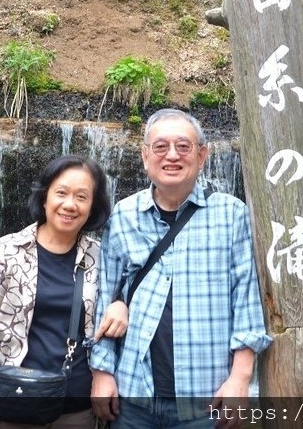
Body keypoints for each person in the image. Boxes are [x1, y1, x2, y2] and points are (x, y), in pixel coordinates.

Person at [90, 109, 271, 429]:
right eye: (160, 147)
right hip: (133, 397)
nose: (171, 155)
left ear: (202, 155)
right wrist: (102, 374)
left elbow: (246, 302)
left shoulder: (231, 214)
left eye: (183, 147)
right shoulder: (124, 215)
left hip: (205, 400)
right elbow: (107, 297)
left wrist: (240, 379)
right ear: (146, 156)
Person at [0, 155, 128, 429]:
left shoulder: (102, 256)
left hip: (77, 408)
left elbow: (122, 304)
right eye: (61, 193)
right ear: (45, 197)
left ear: (93, 205)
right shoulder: (9, 249)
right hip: (14, 400)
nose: (70, 204)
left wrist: (122, 305)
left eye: (82, 197)